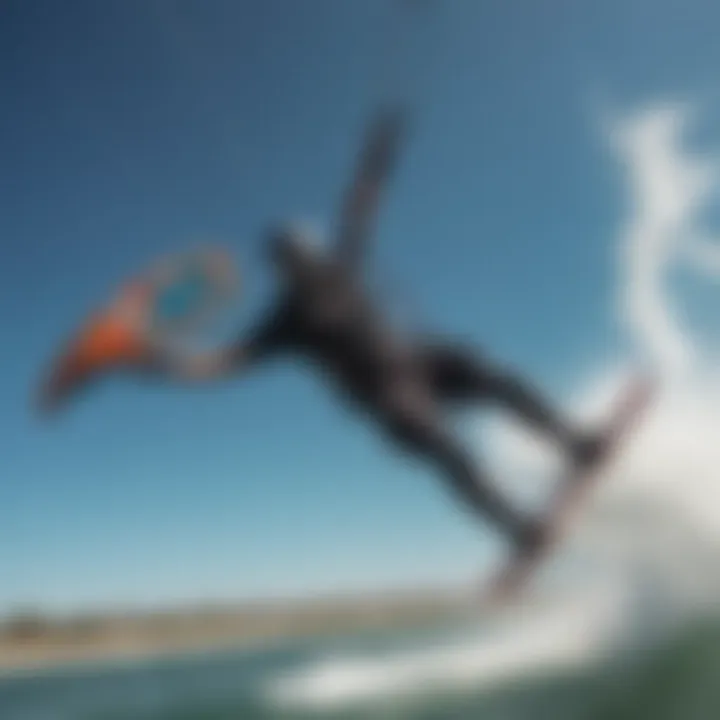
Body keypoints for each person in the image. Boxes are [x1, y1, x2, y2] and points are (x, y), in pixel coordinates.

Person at [44, 107, 606, 556]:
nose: (296, 261)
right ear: (282, 267)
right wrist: (158, 363)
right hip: (386, 396)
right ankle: (517, 529)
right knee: (444, 448)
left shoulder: (340, 264)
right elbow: (223, 363)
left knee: (491, 377)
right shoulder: (286, 321)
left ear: (309, 250)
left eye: (298, 251)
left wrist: (380, 153)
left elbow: (360, 207)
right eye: (285, 259)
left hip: (414, 358)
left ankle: (573, 443)